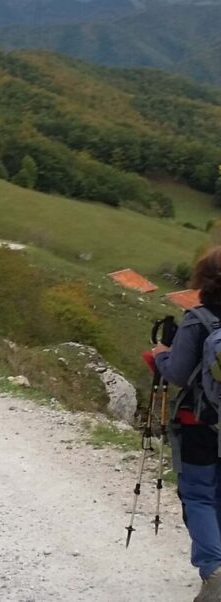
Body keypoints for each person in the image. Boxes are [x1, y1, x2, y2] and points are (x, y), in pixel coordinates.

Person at [153, 247, 221, 602]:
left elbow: (178, 373)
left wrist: (160, 357)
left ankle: (214, 572)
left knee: (198, 494)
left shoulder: (197, 319)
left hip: (199, 424)